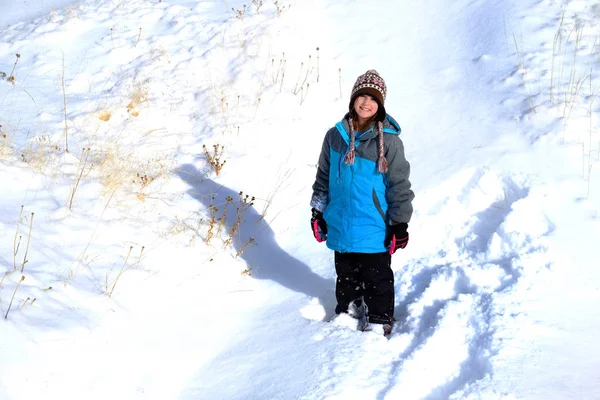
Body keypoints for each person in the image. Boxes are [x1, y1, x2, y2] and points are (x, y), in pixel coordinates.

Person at [310, 69, 414, 335]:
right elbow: (323, 175)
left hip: (374, 224)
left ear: (380, 105)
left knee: (377, 277)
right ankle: (349, 312)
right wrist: (317, 211)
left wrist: (400, 223)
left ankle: (380, 320)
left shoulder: (388, 141)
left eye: (373, 99)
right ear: (353, 99)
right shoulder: (335, 137)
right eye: (362, 96)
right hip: (340, 222)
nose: (366, 103)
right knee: (345, 274)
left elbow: (399, 184)